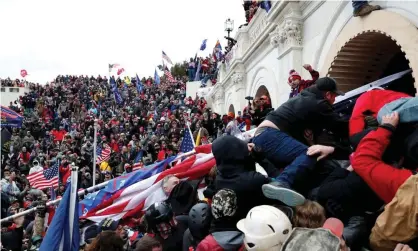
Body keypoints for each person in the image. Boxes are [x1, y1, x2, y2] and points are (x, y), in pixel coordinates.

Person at [252, 77, 347, 206]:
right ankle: (281, 182)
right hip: (269, 135)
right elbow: (342, 125)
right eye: (334, 96)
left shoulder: (304, 97)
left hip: (263, 136)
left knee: (303, 163)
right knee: (311, 153)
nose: (334, 100)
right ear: (328, 94)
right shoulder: (319, 103)